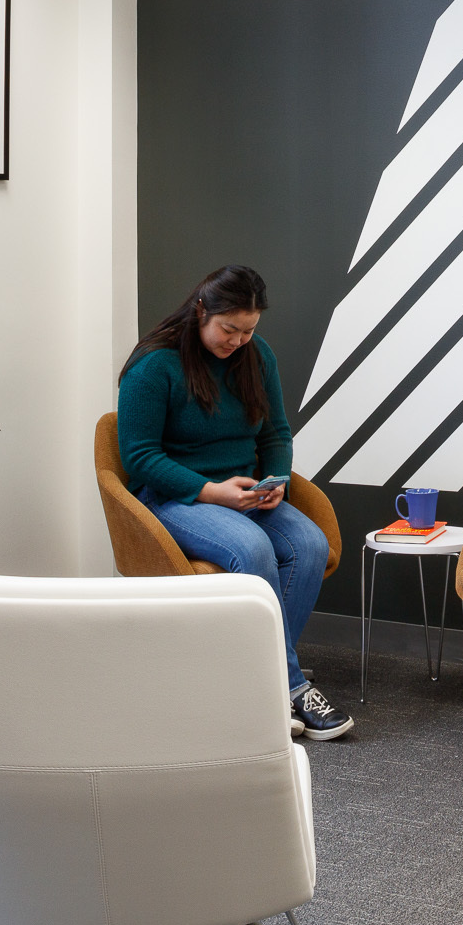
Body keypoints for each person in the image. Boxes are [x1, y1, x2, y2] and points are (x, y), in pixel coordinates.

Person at [116, 264, 352, 742]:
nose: (238, 341)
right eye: (229, 329)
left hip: (246, 493)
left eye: (248, 331)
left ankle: (251, 685)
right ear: (202, 310)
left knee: (309, 543)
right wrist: (211, 492)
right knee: (252, 549)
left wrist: (277, 481)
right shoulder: (154, 365)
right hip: (177, 495)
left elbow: (276, 433)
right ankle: (289, 687)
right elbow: (139, 458)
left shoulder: (255, 356)